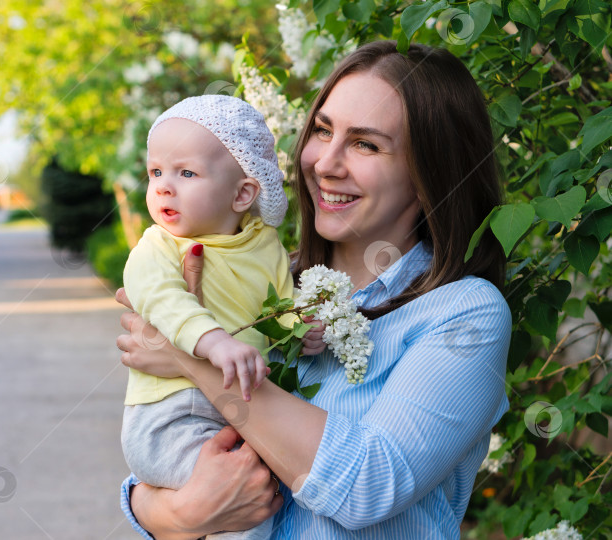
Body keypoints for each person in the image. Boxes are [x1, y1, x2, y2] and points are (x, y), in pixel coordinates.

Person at [115, 40, 512, 539]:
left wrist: (189, 355)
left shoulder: (463, 314)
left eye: (366, 143)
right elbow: (173, 451)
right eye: (323, 131)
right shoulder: (271, 281)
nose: (325, 162)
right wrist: (176, 516)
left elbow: (369, 485)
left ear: (428, 173)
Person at [121, 94, 324, 540]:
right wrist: (213, 341)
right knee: (244, 495)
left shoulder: (265, 245)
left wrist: (300, 329)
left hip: (240, 413)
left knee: (256, 487)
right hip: (172, 415)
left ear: (243, 193)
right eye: (156, 172)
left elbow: (279, 308)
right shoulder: (159, 245)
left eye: (186, 173)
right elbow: (160, 298)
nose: (163, 187)